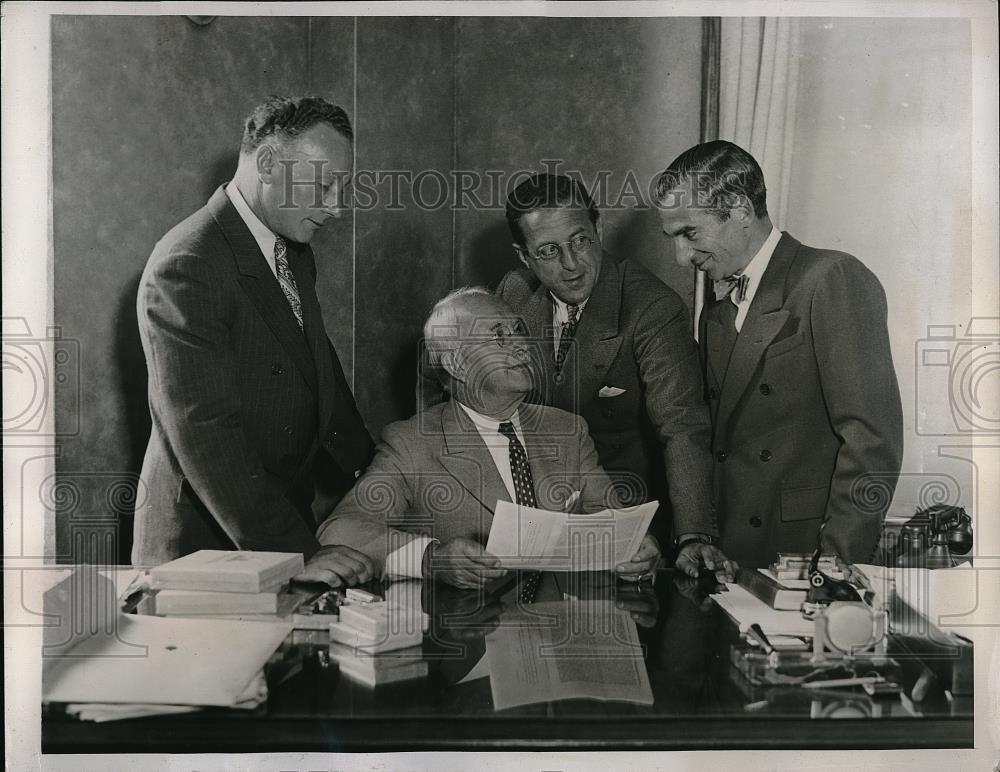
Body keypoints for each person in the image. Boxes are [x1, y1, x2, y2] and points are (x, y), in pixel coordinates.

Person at [134, 96, 375, 582]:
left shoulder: (291, 247)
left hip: (279, 528)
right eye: (324, 184)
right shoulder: (188, 263)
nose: (336, 207)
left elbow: (314, 363)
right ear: (267, 163)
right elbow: (205, 432)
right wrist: (296, 552)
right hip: (207, 550)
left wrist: (382, 478)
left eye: (342, 187)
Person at [298, 288, 662, 589]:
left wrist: (638, 551)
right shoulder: (412, 444)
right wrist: (430, 559)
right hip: (470, 645)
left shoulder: (568, 431)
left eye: (518, 331)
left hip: (559, 640)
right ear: (457, 365)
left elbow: (613, 521)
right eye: (498, 336)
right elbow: (339, 529)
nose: (522, 345)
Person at [655, 140, 903, 567]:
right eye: (672, 238)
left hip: (805, 560)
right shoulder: (713, 311)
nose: (681, 257)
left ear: (738, 209)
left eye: (689, 234)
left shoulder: (830, 278)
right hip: (732, 560)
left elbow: (872, 441)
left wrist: (837, 564)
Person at [495, 173, 736, 582]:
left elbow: (683, 428)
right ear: (524, 257)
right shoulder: (513, 292)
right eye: (550, 251)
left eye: (581, 241)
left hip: (623, 527)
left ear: (599, 229)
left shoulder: (652, 307)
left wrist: (693, 534)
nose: (571, 265)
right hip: (532, 525)